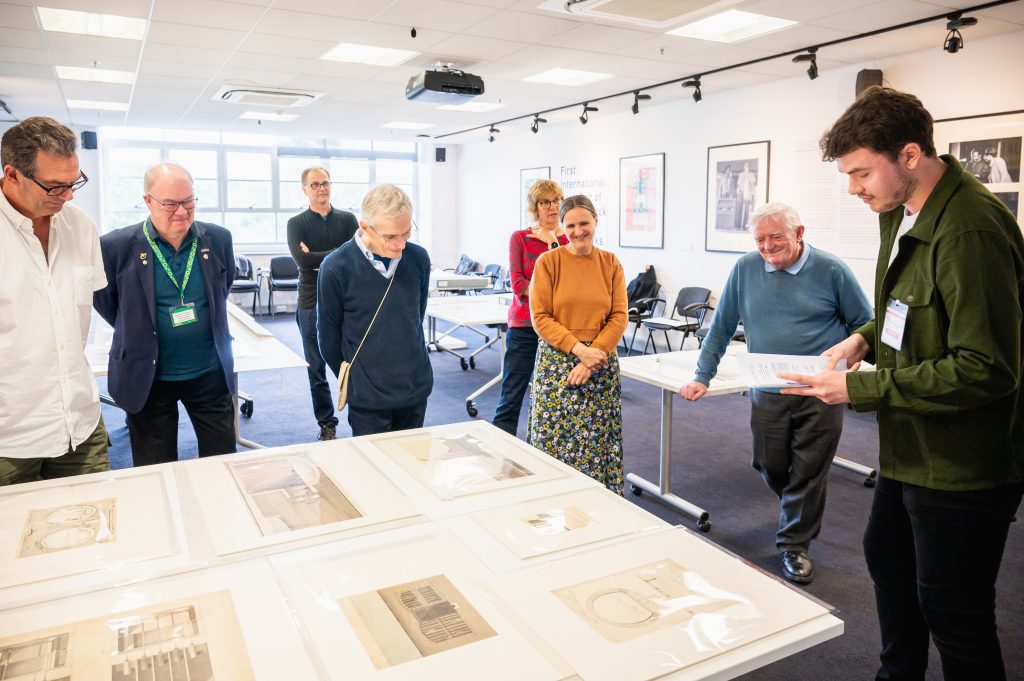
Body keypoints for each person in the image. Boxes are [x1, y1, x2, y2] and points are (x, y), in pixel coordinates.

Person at [784, 86, 1024, 680]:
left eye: (862, 172)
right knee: (889, 567)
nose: (853, 188)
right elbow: (910, 306)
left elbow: (987, 366)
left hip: (963, 463)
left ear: (910, 155)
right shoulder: (903, 211)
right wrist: (862, 338)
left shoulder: (970, 231)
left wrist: (860, 389)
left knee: (954, 611)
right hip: (912, 445)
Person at [680, 201, 872, 584]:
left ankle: (794, 545)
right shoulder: (746, 268)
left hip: (821, 391)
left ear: (799, 234)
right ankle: (799, 508)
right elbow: (721, 326)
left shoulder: (831, 270)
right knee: (769, 464)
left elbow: (863, 322)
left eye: (776, 238)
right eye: (760, 239)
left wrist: (855, 357)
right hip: (768, 388)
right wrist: (703, 374)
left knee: (809, 470)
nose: (767, 247)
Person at [94, 162, 237, 466]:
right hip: (150, 377)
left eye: (188, 202)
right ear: (148, 201)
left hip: (209, 372)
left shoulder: (218, 239)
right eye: (171, 204)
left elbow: (222, 288)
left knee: (223, 463)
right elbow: (107, 302)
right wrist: (139, 329)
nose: (182, 212)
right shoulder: (116, 246)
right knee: (156, 467)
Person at [0, 116, 110, 485]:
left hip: (80, 422)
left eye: (74, 182)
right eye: (54, 187)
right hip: (10, 435)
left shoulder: (80, 227)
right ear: (12, 174)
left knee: (98, 527)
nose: (68, 196)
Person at [528, 195, 628, 494]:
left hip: (599, 363)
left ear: (596, 222)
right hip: (558, 362)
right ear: (563, 226)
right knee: (552, 443)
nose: (577, 231)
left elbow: (619, 315)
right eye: (570, 225)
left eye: (584, 223)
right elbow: (540, 316)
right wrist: (579, 350)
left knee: (598, 445)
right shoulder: (549, 262)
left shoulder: (610, 263)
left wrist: (591, 357)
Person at [317, 184, 432, 436]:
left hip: (414, 386)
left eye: (406, 233)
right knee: (373, 470)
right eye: (390, 237)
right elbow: (328, 339)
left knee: (413, 466)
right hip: (368, 396)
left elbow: (415, 317)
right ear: (365, 227)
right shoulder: (336, 267)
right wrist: (358, 378)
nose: (400, 245)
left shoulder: (418, 258)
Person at [491, 179, 568, 437]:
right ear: (535, 207)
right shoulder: (520, 239)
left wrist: (552, 244)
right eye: (545, 202)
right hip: (524, 326)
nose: (552, 207)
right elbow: (518, 285)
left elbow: (570, 284)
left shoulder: (568, 240)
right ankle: (501, 448)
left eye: (556, 200)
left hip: (559, 329)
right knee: (512, 393)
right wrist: (550, 289)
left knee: (556, 397)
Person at [287, 167, 358, 441]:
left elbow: (357, 255)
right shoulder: (297, 223)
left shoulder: (348, 219)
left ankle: (360, 412)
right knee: (315, 365)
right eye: (314, 185)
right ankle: (327, 422)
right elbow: (302, 262)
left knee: (350, 360)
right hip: (310, 300)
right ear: (304, 189)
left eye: (325, 183)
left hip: (346, 298)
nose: (321, 189)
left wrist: (318, 258)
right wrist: (338, 255)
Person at [736, 161, 758, 229]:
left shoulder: (751, 174)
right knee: (739, 210)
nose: (746, 167)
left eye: (748, 166)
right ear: (744, 167)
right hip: (742, 194)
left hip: (748, 195)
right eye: (745, 166)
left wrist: (748, 175)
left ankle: (744, 226)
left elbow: (753, 181)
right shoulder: (741, 174)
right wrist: (743, 176)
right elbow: (738, 183)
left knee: (746, 211)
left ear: (749, 167)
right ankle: (738, 225)